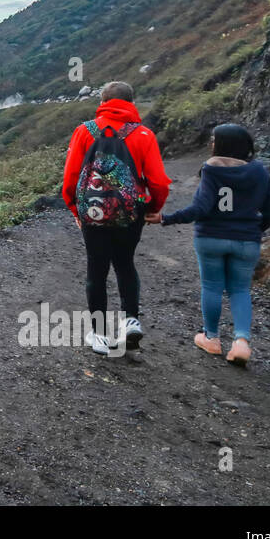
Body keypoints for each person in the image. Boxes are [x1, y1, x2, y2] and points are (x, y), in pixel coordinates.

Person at [147, 123, 270, 366]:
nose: (211, 144)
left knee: (212, 286)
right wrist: (252, 231)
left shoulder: (211, 170)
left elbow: (200, 208)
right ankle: (241, 342)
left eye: (214, 140)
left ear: (224, 145)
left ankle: (211, 338)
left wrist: (166, 218)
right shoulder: (259, 171)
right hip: (246, 240)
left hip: (211, 239)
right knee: (240, 290)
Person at [62, 81, 170, 354]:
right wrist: (151, 208)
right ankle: (130, 321)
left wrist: (76, 209)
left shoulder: (84, 132)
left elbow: (71, 177)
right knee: (125, 264)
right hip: (130, 213)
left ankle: (99, 335)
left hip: (93, 213)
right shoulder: (144, 134)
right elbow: (159, 182)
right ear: (131, 102)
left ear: (102, 103)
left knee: (96, 270)